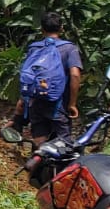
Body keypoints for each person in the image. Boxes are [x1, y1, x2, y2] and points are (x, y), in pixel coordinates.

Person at [11, 11, 84, 142]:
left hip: (35, 102)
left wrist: (22, 100)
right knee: (62, 144)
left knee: (40, 140)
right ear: (61, 28)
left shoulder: (34, 48)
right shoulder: (69, 48)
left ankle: (38, 154)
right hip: (58, 104)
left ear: (42, 29)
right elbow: (75, 74)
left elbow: (28, 75)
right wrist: (72, 104)